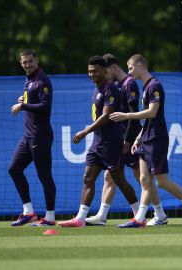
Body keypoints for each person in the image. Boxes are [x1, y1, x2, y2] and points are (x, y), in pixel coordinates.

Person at [110, 54, 182, 228]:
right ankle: (140, 219)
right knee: (145, 179)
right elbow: (147, 118)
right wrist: (139, 137)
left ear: (140, 66)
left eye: (131, 68)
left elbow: (152, 112)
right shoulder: (145, 87)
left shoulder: (155, 85)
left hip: (156, 138)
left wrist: (126, 115)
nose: (129, 72)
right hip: (146, 138)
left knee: (162, 181)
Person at [85, 54, 167, 226]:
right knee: (110, 175)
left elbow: (132, 116)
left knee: (142, 178)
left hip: (128, 139)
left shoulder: (130, 85)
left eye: (105, 72)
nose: (104, 76)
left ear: (113, 68)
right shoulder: (116, 85)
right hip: (120, 139)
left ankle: (158, 213)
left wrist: (128, 139)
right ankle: (102, 214)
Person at [58, 56, 139, 227]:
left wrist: (85, 131)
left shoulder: (111, 89)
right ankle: (80, 218)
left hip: (111, 143)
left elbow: (106, 116)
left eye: (95, 71)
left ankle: (139, 215)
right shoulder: (97, 89)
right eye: (89, 71)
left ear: (104, 70)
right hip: (98, 143)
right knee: (88, 178)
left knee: (119, 179)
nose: (91, 74)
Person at [9, 49, 56, 226]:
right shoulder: (29, 79)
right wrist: (25, 99)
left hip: (40, 136)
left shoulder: (42, 80)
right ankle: (28, 212)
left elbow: (45, 106)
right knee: (14, 169)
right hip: (28, 136)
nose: (28, 64)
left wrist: (23, 106)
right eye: (24, 62)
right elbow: (33, 99)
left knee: (44, 176)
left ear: (37, 60)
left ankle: (50, 218)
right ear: (21, 63)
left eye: (30, 61)